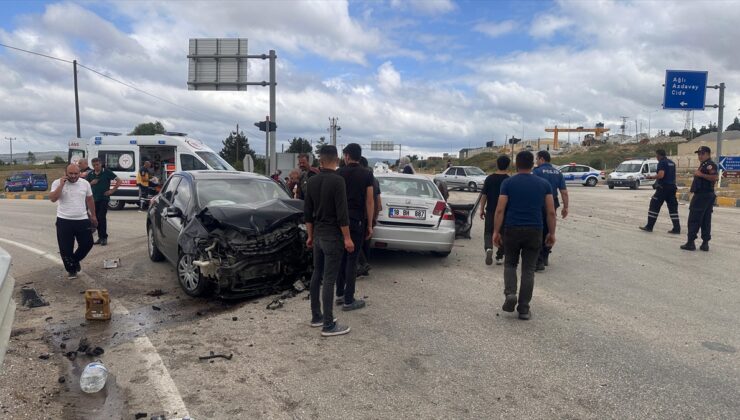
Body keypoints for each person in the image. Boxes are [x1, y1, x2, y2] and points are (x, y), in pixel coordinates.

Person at [493, 151, 556, 320]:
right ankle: (523, 308)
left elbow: (500, 209)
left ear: (517, 164)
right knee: (528, 270)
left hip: (512, 228)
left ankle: (510, 293)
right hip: (535, 230)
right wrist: (552, 233)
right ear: (533, 164)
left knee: (510, 264)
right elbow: (550, 211)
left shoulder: (508, 183)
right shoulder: (544, 184)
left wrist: (496, 231)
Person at [304, 145, 354, 337]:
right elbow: (342, 214)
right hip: (333, 236)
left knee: (317, 274)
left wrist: (310, 235)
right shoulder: (338, 181)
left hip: (317, 235)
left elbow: (307, 213)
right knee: (330, 280)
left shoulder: (312, 181)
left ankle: (316, 316)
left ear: (320, 160)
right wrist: (348, 238)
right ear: (337, 160)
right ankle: (328, 325)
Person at [335, 143, 374, 311]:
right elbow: (370, 200)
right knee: (352, 260)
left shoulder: (338, 173)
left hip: (339, 222)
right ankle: (349, 300)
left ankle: (340, 294)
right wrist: (370, 224)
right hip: (357, 221)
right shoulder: (367, 174)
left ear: (347, 156)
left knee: (340, 258)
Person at [49, 164, 98, 279]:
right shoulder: (57, 183)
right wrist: (61, 185)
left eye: (76, 173)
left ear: (80, 173)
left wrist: (93, 215)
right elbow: (53, 198)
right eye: (70, 173)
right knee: (65, 250)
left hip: (82, 220)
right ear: (65, 173)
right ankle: (71, 270)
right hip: (64, 221)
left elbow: (90, 199)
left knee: (87, 244)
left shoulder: (85, 183)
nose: (73, 176)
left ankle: (74, 261)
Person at [532, 151, 568, 271]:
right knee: (549, 229)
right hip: (553, 202)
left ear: (541, 159)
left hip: (539, 203)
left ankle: (539, 260)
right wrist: (566, 207)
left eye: (537, 159)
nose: (536, 161)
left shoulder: (536, 171)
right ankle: (546, 254)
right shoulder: (558, 172)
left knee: (538, 230)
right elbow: (564, 192)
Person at [681, 146, 718, 251]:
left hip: (703, 195)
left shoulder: (710, 165)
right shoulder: (704, 165)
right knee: (705, 219)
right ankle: (705, 243)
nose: (700, 156)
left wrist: (700, 174)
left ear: (708, 154)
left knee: (694, 218)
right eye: (699, 154)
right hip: (705, 195)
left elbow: (715, 177)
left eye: (702, 154)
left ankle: (691, 242)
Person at [639, 149, 680, 234]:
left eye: (656, 156)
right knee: (673, 208)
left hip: (663, 188)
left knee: (654, 205)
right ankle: (677, 228)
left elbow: (661, 175)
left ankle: (649, 226)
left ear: (658, 155)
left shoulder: (662, 162)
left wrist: (650, 177)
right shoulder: (672, 163)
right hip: (672, 188)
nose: (656, 158)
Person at [479, 155, 511, 266]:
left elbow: (484, 195)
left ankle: (488, 248)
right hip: (505, 212)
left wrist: (481, 209)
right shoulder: (509, 180)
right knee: (503, 233)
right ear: (508, 165)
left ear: (497, 164)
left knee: (488, 231)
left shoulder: (489, 178)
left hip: (491, 210)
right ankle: (500, 256)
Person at [86, 157, 121, 246]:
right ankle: (100, 237)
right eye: (94, 165)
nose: (96, 167)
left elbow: (119, 181)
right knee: (96, 218)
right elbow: (84, 185)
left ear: (100, 164)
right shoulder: (91, 174)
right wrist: (91, 183)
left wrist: (112, 191)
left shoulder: (106, 172)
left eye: (97, 164)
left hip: (104, 199)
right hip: (94, 199)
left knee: (101, 217)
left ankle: (104, 238)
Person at [357, 157, 381, 276]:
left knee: (357, 242)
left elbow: (370, 201)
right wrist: (373, 218)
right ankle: (364, 267)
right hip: (370, 217)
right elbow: (378, 203)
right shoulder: (375, 180)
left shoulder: (363, 178)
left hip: (362, 216)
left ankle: (363, 265)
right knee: (366, 243)